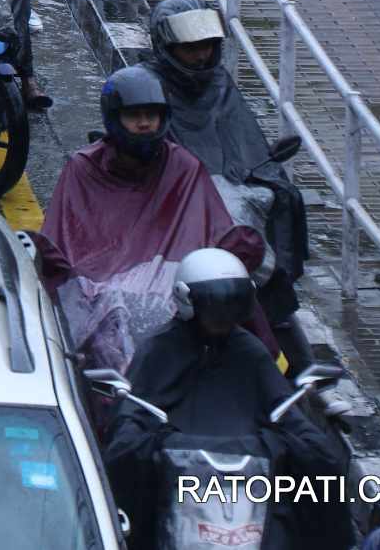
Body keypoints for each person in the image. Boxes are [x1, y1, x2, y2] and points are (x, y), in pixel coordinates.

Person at [105, 248, 349, 550]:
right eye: (215, 308)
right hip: (173, 485)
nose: (224, 317)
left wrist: (308, 444)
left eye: (232, 306)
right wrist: (142, 443)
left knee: (323, 467)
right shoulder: (159, 351)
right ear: (187, 302)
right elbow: (131, 414)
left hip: (251, 485)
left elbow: (284, 411)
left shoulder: (250, 351)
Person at [35, 66, 267, 374]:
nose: (144, 124)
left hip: (171, 295)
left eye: (152, 115)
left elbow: (213, 231)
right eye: (134, 116)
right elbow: (64, 242)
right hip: (102, 295)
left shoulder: (183, 167)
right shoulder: (83, 169)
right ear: (114, 118)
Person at [146, 0, 315, 369]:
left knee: (274, 274)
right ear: (167, 45)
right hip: (172, 207)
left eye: (206, 45)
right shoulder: (145, 89)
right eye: (190, 48)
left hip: (233, 203)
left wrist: (263, 176)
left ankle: (306, 371)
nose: (201, 55)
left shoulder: (219, 83)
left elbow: (242, 139)